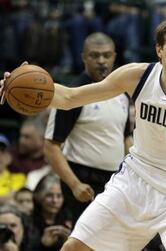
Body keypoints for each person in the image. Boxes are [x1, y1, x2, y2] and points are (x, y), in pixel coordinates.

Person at [0, 15, 166, 251]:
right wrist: (18, 83)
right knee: (72, 248)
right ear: (159, 49)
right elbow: (69, 98)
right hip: (133, 184)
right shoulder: (136, 76)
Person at [43, 32, 132, 223]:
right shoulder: (72, 95)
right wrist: (74, 184)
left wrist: (132, 175)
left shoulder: (123, 94)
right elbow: (51, 146)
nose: (101, 61)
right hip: (83, 181)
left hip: (115, 181)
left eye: (106, 55)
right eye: (95, 55)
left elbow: (126, 137)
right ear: (83, 57)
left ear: (114, 57)